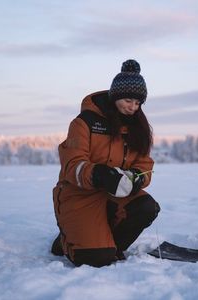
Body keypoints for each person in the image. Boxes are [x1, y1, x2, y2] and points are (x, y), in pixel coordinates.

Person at [50, 59, 160, 267]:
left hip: (114, 195)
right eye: (128, 100)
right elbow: (72, 165)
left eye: (138, 103)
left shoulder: (138, 128)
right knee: (94, 260)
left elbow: (145, 165)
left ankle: (108, 245)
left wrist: (136, 178)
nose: (133, 108)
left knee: (146, 207)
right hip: (79, 195)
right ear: (115, 96)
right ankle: (67, 241)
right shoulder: (84, 123)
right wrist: (99, 174)